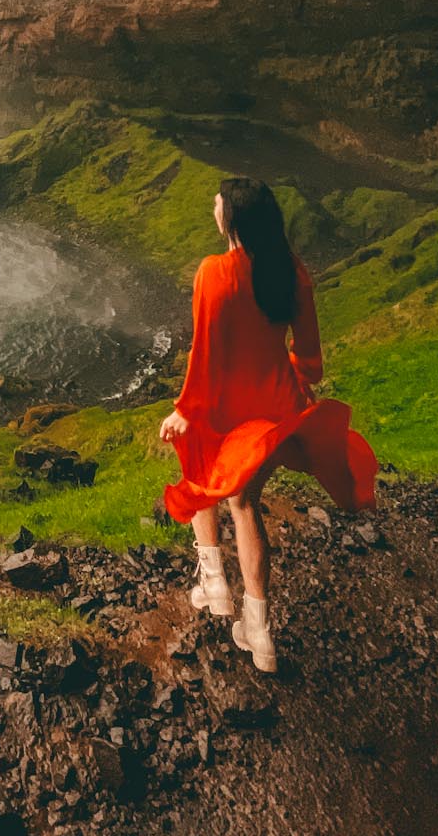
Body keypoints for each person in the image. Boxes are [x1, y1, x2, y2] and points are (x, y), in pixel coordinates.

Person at [159, 177, 378, 672]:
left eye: (217, 204)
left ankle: (214, 581)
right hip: (274, 408)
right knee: (245, 503)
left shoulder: (214, 273)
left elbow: (205, 351)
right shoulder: (291, 271)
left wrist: (185, 409)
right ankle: (260, 634)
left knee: (200, 471)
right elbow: (311, 357)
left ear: (231, 218)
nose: (212, 209)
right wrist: (296, 384)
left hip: (223, 404)